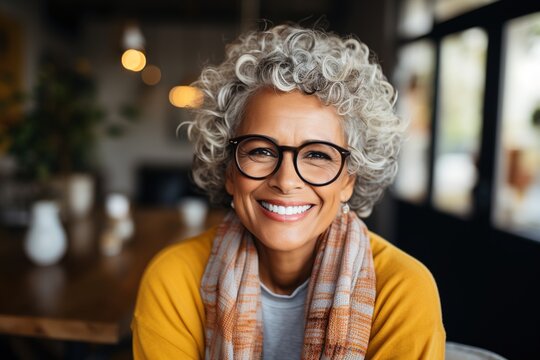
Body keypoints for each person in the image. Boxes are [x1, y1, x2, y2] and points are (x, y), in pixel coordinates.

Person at [132, 23, 445, 359]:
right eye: (261, 151)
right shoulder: (175, 279)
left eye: (317, 155)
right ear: (229, 171)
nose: (286, 180)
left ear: (349, 181)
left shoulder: (401, 290)